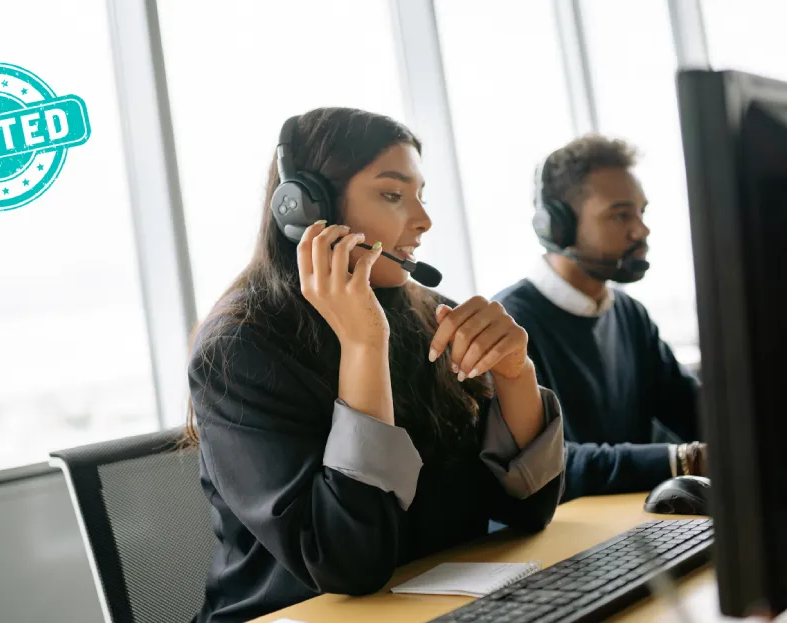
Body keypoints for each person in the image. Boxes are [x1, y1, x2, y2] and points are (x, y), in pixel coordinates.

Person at [186, 108, 565, 623]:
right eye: (392, 195)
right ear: (304, 209)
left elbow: (529, 511)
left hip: (437, 603)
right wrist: (363, 347)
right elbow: (349, 563)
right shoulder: (239, 349)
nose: (424, 220)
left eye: (420, 196)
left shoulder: (430, 314)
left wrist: (517, 375)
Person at [494, 135, 706, 503]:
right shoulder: (511, 326)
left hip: (633, 520)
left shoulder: (628, 312)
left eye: (642, 212)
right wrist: (683, 460)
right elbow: (551, 464)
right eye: (621, 214)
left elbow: (691, 408)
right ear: (556, 227)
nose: (641, 230)